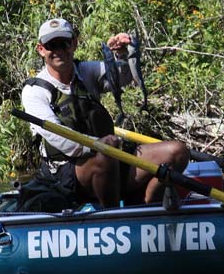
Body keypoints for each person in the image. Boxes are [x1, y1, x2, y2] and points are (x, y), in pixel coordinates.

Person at [21, 18, 189, 209]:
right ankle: (112, 214)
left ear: (74, 43)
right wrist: (99, 145)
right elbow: (57, 137)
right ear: (41, 49)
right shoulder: (35, 90)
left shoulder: (85, 71)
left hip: (109, 158)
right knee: (105, 152)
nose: (58, 50)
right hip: (65, 172)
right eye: (51, 45)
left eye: (64, 43)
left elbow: (123, 77)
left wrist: (121, 55)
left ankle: (146, 207)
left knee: (177, 152)